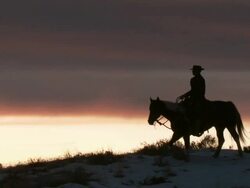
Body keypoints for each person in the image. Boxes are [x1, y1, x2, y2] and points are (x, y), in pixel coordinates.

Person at [176, 65, 206, 136]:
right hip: (192, 98)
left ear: (198, 71)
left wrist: (186, 96)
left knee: (194, 110)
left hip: (199, 98)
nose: (193, 72)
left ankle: (195, 127)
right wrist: (184, 96)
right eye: (193, 70)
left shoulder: (201, 79)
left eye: (194, 70)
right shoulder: (192, 79)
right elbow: (192, 90)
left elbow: (198, 91)